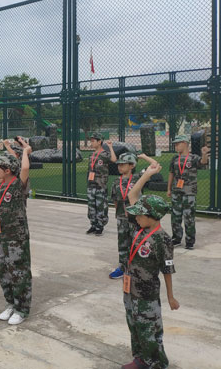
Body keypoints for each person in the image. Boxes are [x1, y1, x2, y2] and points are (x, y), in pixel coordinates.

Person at [122, 163, 179, 369]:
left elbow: (167, 270)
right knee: (134, 325)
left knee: (150, 330)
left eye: (140, 214)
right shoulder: (140, 227)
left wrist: (170, 296)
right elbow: (132, 195)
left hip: (147, 294)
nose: (136, 216)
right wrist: (147, 174)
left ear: (152, 216)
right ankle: (140, 358)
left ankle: (156, 363)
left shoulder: (162, 239)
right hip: (130, 288)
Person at [0, 146, 32, 326]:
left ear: (7, 170)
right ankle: (11, 303)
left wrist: (25, 151)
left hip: (17, 238)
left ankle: (21, 309)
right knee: (4, 272)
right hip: (3, 237)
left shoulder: (17, 185)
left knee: (19, 273)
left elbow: (25, 168)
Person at [108, 153, 157, 280]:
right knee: (122, 243)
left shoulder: (138, 177)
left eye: (123, 164)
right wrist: (119, 214)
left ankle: (136, 267)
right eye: (119, 164)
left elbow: (155, 165)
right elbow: (115, 200)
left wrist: (144, 157)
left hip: (136, 218)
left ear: (132, 166)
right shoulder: (116, 182)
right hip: (122, 217)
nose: (120, 167)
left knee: (137, 242)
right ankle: (123, 267)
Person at [167, 135, 209, 250]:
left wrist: (204, 154)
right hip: (176, 191)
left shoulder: (193, 158)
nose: (176, 146)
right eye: (175, 144)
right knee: (175, 216)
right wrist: (169, 189)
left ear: (185, 143)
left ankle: (190, 241)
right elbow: (171, 173)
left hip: (189, 192)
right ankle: (176, 238)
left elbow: (203, 162)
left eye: (178, 144)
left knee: (189, 216)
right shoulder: (175, 158)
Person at [86, 132, 117, 236]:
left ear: (99, 142)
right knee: (91, 206)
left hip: (100, 185)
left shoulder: (104, 154)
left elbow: (114, 159)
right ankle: (93, 224)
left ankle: (100, 226)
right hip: (91, 185)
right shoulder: (91, 155)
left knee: (100, 206)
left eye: (93, 141)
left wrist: (110, 147)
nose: (91, 143)